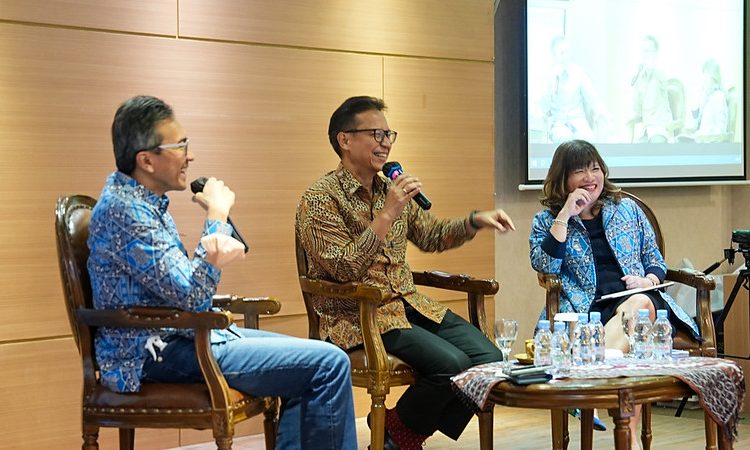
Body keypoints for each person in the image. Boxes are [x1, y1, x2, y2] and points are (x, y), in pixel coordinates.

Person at [88, 95, 357, 450]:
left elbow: (185, 288)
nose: (190, 155)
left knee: (319, 359)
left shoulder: (142, 204)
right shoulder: (126, 212)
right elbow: (193, 296)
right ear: (147, 160)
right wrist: (215, 216)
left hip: (181, 337)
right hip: (152, 351)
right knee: (329, 364)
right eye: (180, 145)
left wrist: (218, 222)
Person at [296, 95, 515, 450]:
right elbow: (342, 267)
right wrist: (387, 213)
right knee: (451, 365)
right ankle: (402, 434)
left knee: (489, 360)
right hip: (359, 313)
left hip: (409, 303)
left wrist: (475, 221)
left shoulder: (388, 188)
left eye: (388, 134)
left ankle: (397, 429)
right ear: (345, 139)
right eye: (375, 133)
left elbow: (430, 235)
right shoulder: (321, 198)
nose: (384, 142)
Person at [529, 139, 699, 449]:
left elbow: (655, 259)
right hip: (586, 310)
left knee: (638, 304)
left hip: (638, 300)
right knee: (628, 353)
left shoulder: (626, 208)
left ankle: (583, 387)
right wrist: (566, 214)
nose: (590, 177)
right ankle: (630, 441)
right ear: (563, 178)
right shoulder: (547, 219)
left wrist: (648, 279)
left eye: (595, 168)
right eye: (580, 171)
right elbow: (544, 265)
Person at [541, 35, 608, 143]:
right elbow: (543, 106)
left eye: (567, 52)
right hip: (559, 123)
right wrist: (551, 86)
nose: (565, 56)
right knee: (565, 140)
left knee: (589, 140)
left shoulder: (578, 72)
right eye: (562, 53)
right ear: (555, 56)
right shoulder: (549, 75)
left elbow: (592, 97)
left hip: (578, 120)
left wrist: (602, 113)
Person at [628, 35, 673, 143]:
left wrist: (650, 67)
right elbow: (637, 110)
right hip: (646, 130)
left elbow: (664, 82)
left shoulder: (660, 73)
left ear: (655, 53)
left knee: (655, 146)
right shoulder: (640, 78)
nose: (645, 55)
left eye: (648, 51)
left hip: (661, 129)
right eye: (643, 51)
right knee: (637, 150)